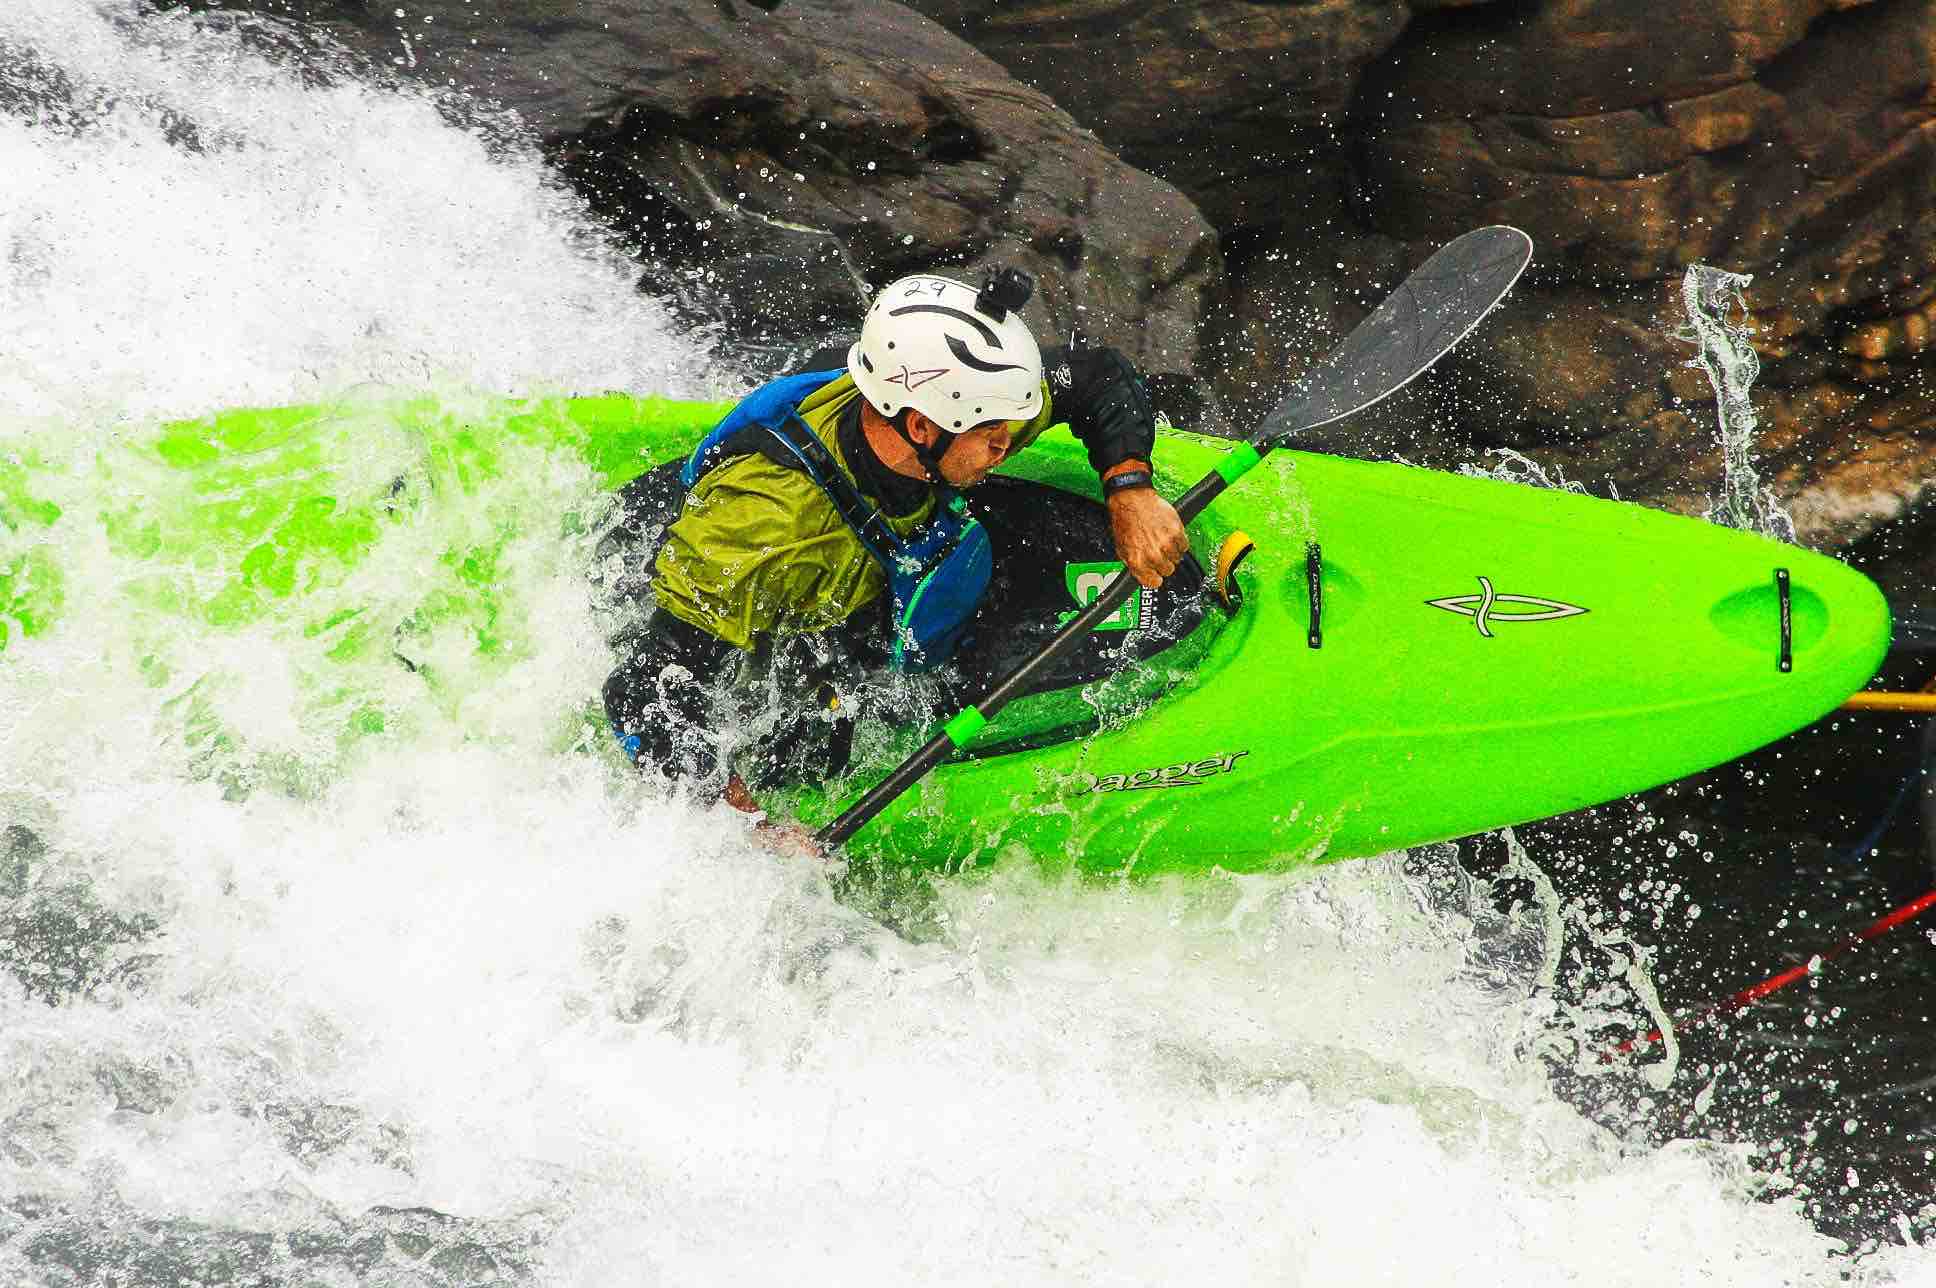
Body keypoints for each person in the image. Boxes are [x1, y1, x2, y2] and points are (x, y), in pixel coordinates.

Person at [602, 267, 1189, 821]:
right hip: (738, 607)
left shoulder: (952, 410)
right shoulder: (768, 532)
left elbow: (1096, 375)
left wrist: (1130, 491)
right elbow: (642, 691)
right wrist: (748, 828)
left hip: (875, 553)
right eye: (991, 433)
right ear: (919, 427)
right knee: (819, 736)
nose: (1006, 444)